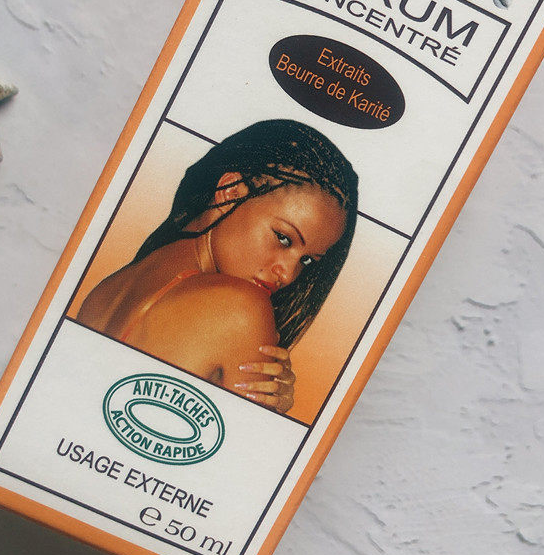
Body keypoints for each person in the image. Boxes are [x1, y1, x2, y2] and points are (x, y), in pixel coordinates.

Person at [75, 119, 358, 414]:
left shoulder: (109, 289)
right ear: (231, 192)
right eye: (283, 238)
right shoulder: (241, 307)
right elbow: (242, 441)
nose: (287, 274)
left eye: (307, 260)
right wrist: (276, 412)